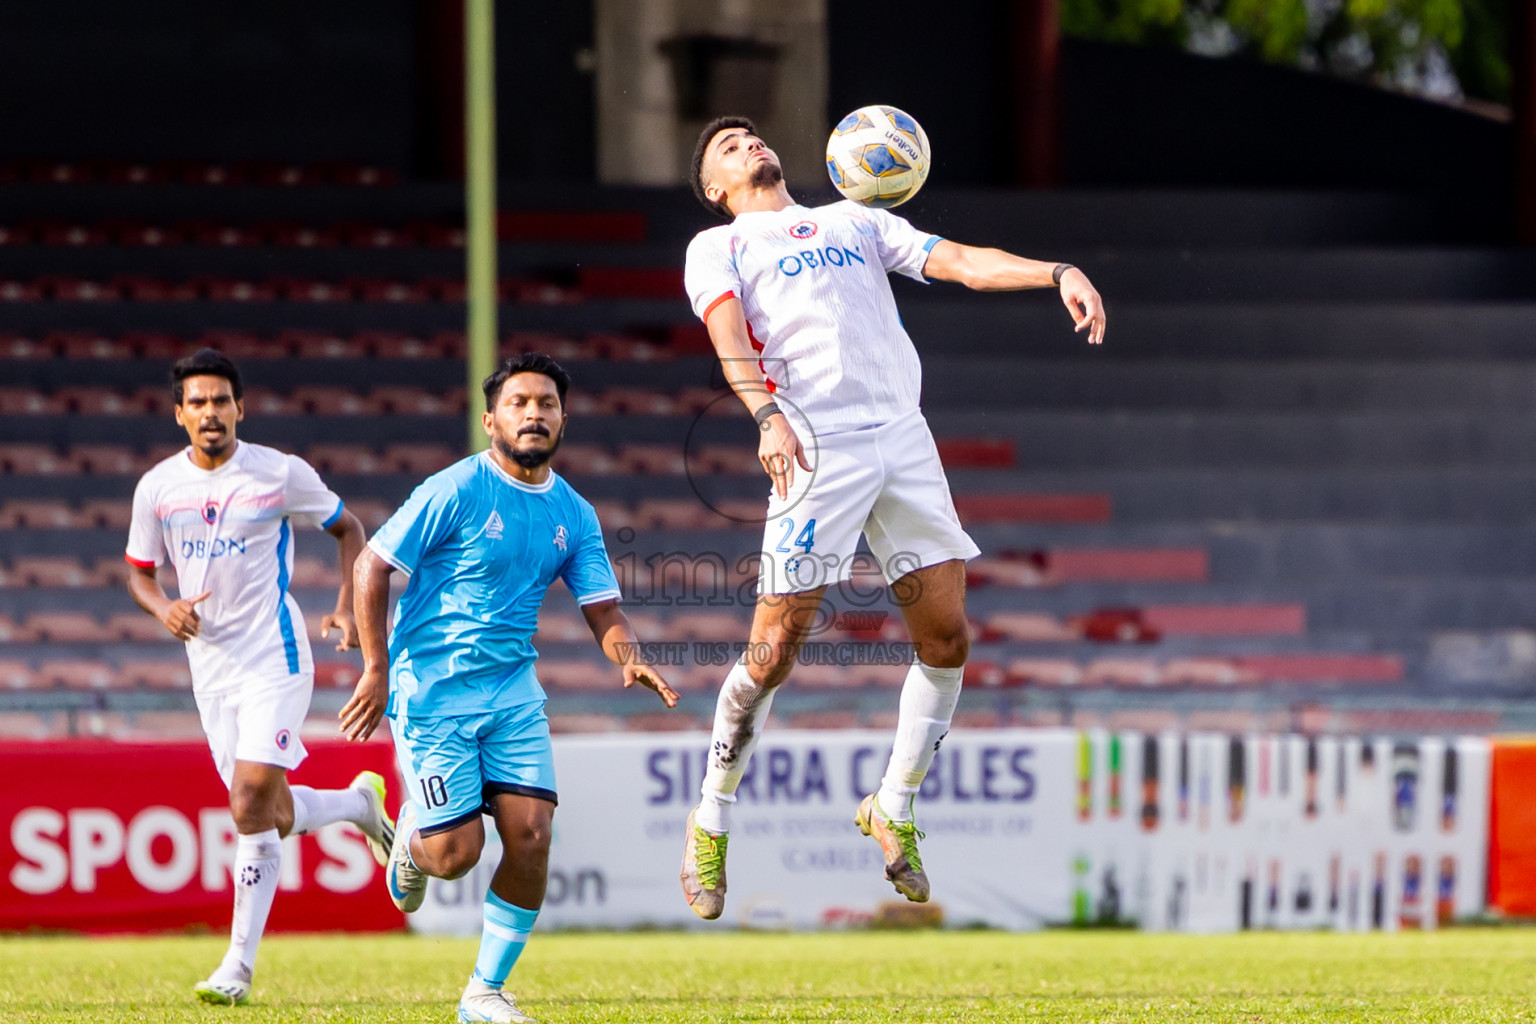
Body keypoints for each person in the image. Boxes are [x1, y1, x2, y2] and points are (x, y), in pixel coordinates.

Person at [677, 116, 1108, 920]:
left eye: (754, 137)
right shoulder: (719, 247)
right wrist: (766, 415)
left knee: (947, 639)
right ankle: (711, 816)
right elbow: (730, 336)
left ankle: (893, 805)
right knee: (772, 653)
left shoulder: (856, 218)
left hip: (902, 436)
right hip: (814, 443)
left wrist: (1058, 271)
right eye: (729, 149)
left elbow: (964, 265)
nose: (751, 147)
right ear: (715, 189)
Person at [343, 353, 679, 1024]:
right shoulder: (454, 489)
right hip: (433, 691)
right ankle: (410, 840)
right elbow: (371, 566)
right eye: (521, 402)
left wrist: (629, 656)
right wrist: (377, 670)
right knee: (454, 856)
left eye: (547, 403)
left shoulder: (573, 512)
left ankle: (484, 993)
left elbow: (602, 608)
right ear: (491, 418)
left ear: (563, 418)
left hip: (512, 694)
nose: (534, 413)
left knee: (532, 833)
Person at [125, 348, 394, 1005]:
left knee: (247, 803)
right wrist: (165, 608)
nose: (211, 412)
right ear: (179, 414)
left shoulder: (279, 473)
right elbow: (138, 571)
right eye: (198, 402)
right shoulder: (158, 487)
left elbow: (350, 528)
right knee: (268, 813)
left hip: (275, 656)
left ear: (240, 408)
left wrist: (344, 611)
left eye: (221, 400)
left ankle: (236, 970)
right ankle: (358, 805)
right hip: (209, 669)